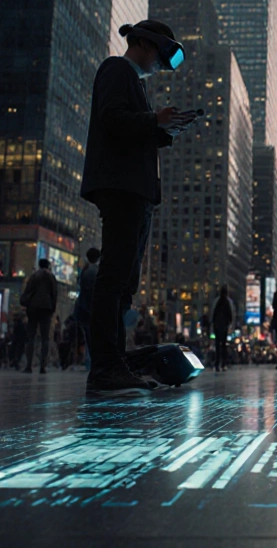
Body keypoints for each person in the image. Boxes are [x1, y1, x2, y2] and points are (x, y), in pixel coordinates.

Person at [80, 20, 197, 395]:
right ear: (144, 43)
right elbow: (111, 121)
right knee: (113, 279)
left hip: (136, 189)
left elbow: (131, 130)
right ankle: (105, 368)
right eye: (161, 56)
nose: (161, 66)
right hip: (121, 187)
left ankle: (115, 364)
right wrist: (154, 120)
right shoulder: (116, 69)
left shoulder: (136, 83)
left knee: (124, 282)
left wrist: (163, 131)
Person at [20, 258, 58, 374]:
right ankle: (43, 366)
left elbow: (27, 291)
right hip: (46, 308)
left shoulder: (34, 276)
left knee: (31, 337)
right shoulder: (51, 277)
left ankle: (28, 365)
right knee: (45, 338)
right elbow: (54, 293)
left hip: (33, 308)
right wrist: (53, 308)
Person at [211, 285, 236, 372]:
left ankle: (217, 363)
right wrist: (230, 324)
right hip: (224, 326)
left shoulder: (217, 301)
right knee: (224, 345)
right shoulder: (227, 302)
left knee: (218, 345)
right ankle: (223, 364)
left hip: (217, 326)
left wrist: (213, 325)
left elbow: (213, 315)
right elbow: (230, 315)